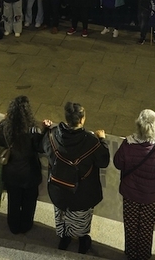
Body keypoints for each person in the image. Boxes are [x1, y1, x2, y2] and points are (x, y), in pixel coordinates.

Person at [43, 101, 110, 254]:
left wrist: (44, 129)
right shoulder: (91, 141)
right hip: (82, 192)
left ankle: (64, 238)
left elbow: (43, 147)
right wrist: (103, 140)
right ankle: (82, 241)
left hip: (58, 189)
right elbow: (103, 161)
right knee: (81, 218)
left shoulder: (52, 134)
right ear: (81, 120)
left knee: (61, 215)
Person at [113, 109, 155, 260]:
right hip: (151, 197)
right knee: (147, 228)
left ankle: (131, 254)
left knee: (131, 226)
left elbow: (117, 163)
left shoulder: (127, 145)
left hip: (130, 194)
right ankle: (143, 255)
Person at [0, 95, 50, 234]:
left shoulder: (4, 125)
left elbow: (0, 142)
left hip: (11, 172)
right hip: (29, 173)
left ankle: (13, 226)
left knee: (13, 201)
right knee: (29, 202)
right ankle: (26, 225)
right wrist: (45, 130)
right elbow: (41, 148)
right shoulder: (32, 129)